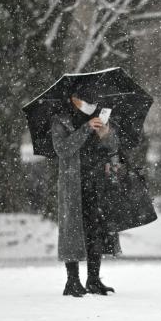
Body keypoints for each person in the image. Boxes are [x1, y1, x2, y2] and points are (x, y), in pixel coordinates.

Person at [51, 89, 122, 297]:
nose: (88, 104)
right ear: (73, 99)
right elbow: (63, 149)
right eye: (83, 100)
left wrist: (105, 134)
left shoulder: (99, 117)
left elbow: (113, 147)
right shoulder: (61, 121)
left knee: (96, 231)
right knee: (72, 232)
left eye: (91, 100)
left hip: (97, 183)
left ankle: (93, 279)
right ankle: (72, 281)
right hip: (73, 186)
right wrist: (84, 129)